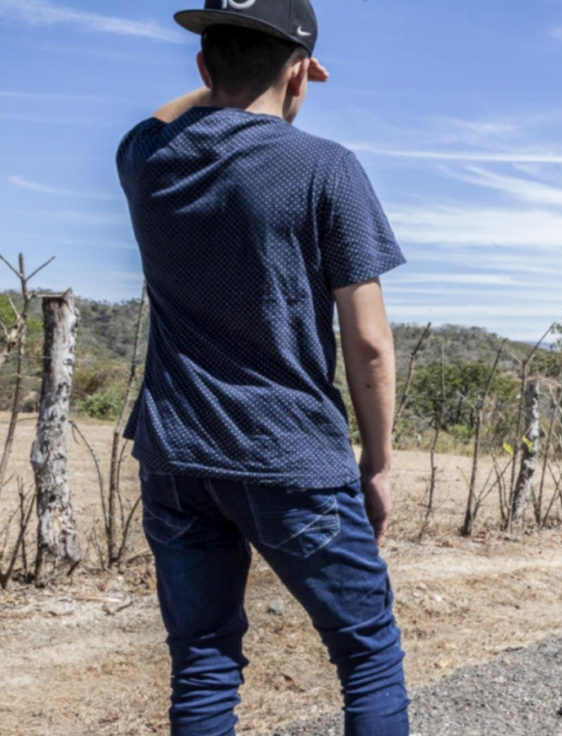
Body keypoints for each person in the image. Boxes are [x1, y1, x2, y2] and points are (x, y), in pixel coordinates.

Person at [115, 1, 409, 734]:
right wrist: (375, 462)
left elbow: (165, 112)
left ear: (203, 66)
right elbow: (367, 341)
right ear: (300, 72)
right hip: (290, 457)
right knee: (366, 649)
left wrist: (223, 80)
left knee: (204, 660)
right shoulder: (325, 168)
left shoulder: (147, 158)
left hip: (176, 455)